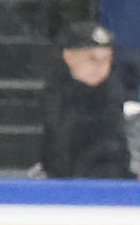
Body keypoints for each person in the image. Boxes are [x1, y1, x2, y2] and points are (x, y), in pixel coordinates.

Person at [37, 20, 128, 179]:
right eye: (92, 59)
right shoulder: (54, 99)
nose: (100, 66)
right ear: (69, 57)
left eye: (106, 59)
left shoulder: (115, 95)